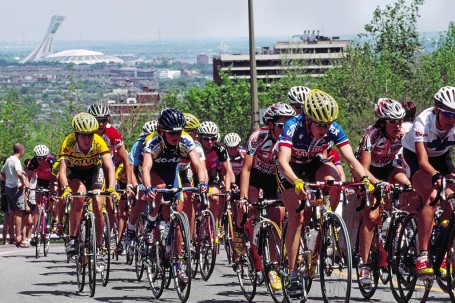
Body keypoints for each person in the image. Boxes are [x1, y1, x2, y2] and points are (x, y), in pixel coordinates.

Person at [277, 89, 370, 296]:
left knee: (335, 181)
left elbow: (351, 160)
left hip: (313, 163)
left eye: (328, 124)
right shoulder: (293, 126)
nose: (325, 129)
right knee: (297, 217)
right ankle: (293, 275)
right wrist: (297, 182)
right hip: (290, 169)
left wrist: (364, 179)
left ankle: (326, 221)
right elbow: (283, 162)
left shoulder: (333, 129)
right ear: (308, 119)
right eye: (320, 124)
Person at [142, 108, 208, 285]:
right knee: (160, 188)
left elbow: (198, 166)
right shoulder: (154, 142)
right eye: (172, 132)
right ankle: (150, 223)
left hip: (173, 173)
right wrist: (148, 188)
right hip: (156, 173)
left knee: (178, 216)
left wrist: (202, 183)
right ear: (162, 130)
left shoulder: (185, 141)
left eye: (179, 132)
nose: (176, 136)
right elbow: (146, 168)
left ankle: (177, 264)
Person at [239, 102, 296, 291]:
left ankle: (272, 264)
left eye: (289, 124)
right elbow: (246, 169)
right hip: (256, 175)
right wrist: (243, 198)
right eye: (282, 125)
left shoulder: (291, 138)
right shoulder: (258, 137)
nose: (286, 128)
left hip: (275, 177)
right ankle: (247, 237)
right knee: (251, 207)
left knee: (278, 214)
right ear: (271, 124)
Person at [401, 86, 455, 278]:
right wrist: (437, 177)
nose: (452, 119)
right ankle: (422, 255)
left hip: (441, 157)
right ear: (437, 110)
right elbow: (423, 161)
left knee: (452, 199)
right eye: (448, 114)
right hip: (415, 157)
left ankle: (441, 240)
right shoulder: (424, 120)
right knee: (432, 196)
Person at [357, 98, 411, 286]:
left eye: (400, 121)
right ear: (382, 122)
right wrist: (377, 183)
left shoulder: (404, 133)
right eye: (392, 121)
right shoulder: (371, 135)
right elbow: (363, 169)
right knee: (371, 217)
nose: (397, 126)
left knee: (410, 186)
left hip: (388, 167)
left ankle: (403, 233)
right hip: (368, 171)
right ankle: (364, 265)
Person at [59, 112, 119, 260]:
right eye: (83, 136)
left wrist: (111, 188)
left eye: (90, 135)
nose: (87, 139)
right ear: (76, 134)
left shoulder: (99, 142)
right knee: (80, 197)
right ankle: (73, 239)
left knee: (98, 204)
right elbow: (62, 170)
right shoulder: (69, 142)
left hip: (93, 170)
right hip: (75, 173)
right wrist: (66, 188)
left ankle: (98, 246)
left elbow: (110, 168)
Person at [125, 120, 158, 246]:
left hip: (155, 174)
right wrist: (136, 186)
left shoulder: (159, 144)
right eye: (146, 137)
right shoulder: (138, 145)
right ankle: (131, 229)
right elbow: (131, 170)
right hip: (139, 174)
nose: (148, 140)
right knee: (141, 197)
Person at [197, 121, 232, 232]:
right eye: (206, 139)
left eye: (213, 138)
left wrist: (227, 190)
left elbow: (227, 172)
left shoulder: (220, 148)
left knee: (215, 197)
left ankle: (213, 224)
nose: (210, 142)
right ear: (200, 137)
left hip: (211, 173)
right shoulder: (195, 147)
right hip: (195, 174)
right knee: (191, 199)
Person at [1, 143, 27, 248]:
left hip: (8, 188)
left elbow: (2, 173)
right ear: (21, 150)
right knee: (19, 213)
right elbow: (19, 173)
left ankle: (12, 236)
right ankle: (19, 237)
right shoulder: (16, 161)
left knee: (11, 212)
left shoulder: (8, 160)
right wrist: (23, 184)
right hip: (16, 188)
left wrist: (8, 180)